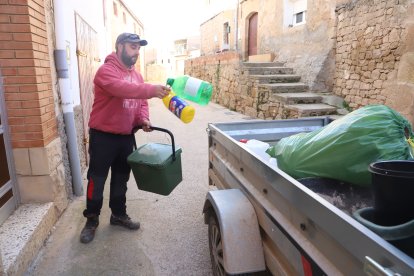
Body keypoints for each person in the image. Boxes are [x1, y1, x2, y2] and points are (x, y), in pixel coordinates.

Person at [80, 33, 170, 244]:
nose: (137, 52)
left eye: (138, 48)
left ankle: (118, 215)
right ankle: (91, 219)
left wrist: (143, 119)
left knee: (121, 179)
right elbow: (122, 89)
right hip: (103, 137)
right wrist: (151, 89)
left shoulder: (137, 76)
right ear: (119, 47)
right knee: (97, 180)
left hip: (126, 137)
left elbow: (141, 103)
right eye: (132, 47)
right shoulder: (106, 71)